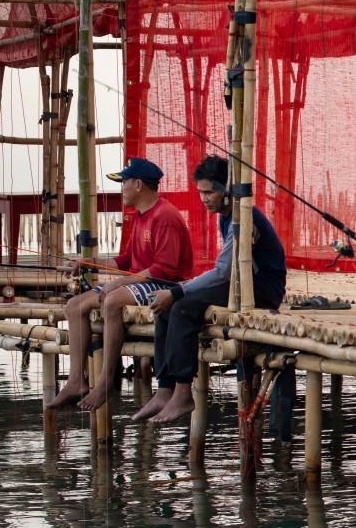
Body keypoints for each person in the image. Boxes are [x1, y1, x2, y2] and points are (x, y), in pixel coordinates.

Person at [133, 155, 287, 425]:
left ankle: (183, 393)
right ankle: (165, 387)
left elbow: (223, 271)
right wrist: (176, 292)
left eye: (210, 191)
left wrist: (178, 291)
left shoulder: (243, 216)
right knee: (166, 308)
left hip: (261, 289)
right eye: (201, 192)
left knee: (182, 306)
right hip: (239, 285)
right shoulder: (225, 216)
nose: (204, 198)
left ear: (225, 189)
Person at [51, 157, 194, 412]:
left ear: (138, 184)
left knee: (113, 299)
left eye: (124, 182)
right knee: (74, 305)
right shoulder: (138, 216)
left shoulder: (166, 216)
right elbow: (128, 259)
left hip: (165, 285)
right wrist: (89, 263)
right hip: (141, 282)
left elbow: (164, 269)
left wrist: (118, 284)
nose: (121, 189)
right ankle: (76, 381)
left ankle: (106, 382)